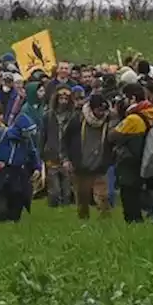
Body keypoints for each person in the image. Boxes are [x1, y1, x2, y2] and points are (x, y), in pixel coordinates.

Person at [0, 111, 40, 222]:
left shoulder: (26, 141)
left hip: (17, 175)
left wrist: (37, 168)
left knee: (14, 216)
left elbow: (33, 154)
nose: (29, 136)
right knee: (0, 213)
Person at [110, 85, 153, 223]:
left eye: (125, 97)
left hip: (129, 164)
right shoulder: (152, 113)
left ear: (132, 98)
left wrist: (115, 116)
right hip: (145, 162)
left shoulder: (133, 119)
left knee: (130, 203)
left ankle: (134, 227)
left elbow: (112, 136)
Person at [61, 91, 112, 220]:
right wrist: (66, 159)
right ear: (92, 108)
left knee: (103, 197)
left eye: (103, 110)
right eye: (99, 110)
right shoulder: (77, 119)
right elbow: (65, 140)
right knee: (82, 199)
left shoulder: (109, 121)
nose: (101, 113)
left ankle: (105, 224)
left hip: (100, 166)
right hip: (81, 166)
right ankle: (84, 222)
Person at [41, 85, 78, 206]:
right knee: (54, 191)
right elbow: (42, 136)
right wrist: (41, 154)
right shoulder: (48, 116)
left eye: (66, 98)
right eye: (61, 97)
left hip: (67, 157)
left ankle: (65, 212)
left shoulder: (74, 117)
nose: (63, 101)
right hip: (51, 155)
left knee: (67, 191)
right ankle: (53, 211)